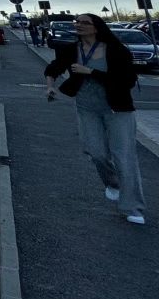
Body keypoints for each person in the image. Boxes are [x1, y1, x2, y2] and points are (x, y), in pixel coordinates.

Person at [44, 13, 146, 225]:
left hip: (117, 109)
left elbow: (126, 80)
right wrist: (50, 87)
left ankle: (133, 207)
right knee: (95, 151)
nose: (79, 25)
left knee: (124, 156)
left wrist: (90, 71)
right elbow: (54, 68)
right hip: (87, 108)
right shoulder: (72, 50)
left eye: (84, 23)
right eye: (77, 23)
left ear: (96, 27)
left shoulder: (116, 50)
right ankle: (112, 183)